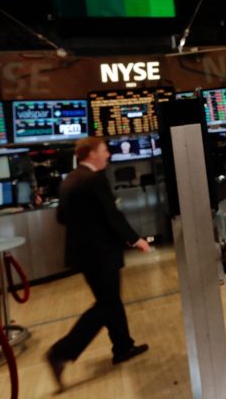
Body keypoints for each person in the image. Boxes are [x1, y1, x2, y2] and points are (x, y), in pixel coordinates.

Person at [46, 136, 151, 389]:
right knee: (106, 304)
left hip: (84, 255)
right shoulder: (93, 179)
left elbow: (62, 217)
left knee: (111, 301)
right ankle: (60, 352)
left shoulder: (70, 179)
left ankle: (123, 346)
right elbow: (111, 215)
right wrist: (136, 239)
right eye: (105, 150)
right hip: (101, 253)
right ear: (92, 153)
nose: (108, 155)